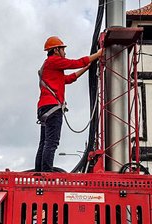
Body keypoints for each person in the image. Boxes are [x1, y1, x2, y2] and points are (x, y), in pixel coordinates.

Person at [35, 36, 102, 172]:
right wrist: (99, 54)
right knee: (51, 143)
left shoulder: (49, 67)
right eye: (63, 49)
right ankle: (47, 174)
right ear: (55, 50)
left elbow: (69, 79)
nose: (65, 53)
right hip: (53, 108)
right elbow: (76, 62)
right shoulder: (54, 61)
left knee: (44, 143)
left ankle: (39, 172)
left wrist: (87, 68)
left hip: (44, 108)